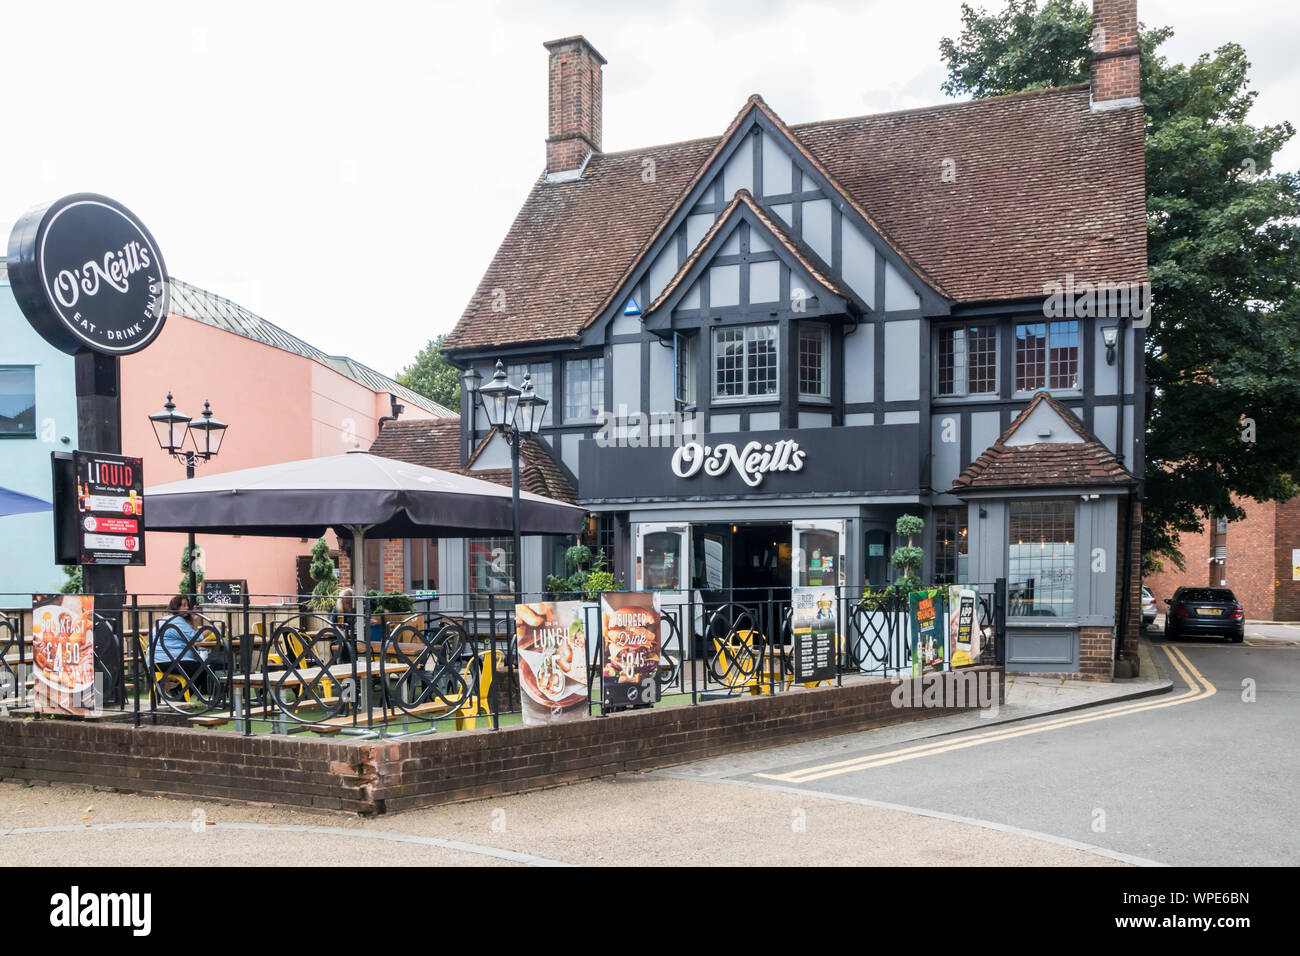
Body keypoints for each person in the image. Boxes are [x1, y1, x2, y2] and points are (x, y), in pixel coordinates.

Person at [151, 596, 211, 700]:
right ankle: (181, 698)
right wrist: (212, 629)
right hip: (169, 661)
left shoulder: (165, 619)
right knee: (202, 669)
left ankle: (177, 692)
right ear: (175, 607)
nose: (187, 608)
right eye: (183, 605)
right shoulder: (177, 621)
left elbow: (192, 636)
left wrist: (194, 620)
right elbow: (197, 638)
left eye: (187, 605)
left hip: (156, 662)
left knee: (199, 667)